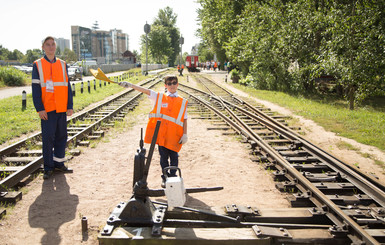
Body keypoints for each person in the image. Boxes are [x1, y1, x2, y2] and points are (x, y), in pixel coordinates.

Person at [119, 75, 188, 188]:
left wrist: (185, 134)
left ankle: (173, 177)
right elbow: (146, 91)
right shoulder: (159, 97)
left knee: (174, 157)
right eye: (169, 83)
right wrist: (131, 85)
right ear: (165, 85)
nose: (172, 85)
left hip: (174, 136)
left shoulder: (183, 102)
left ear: (177, 84)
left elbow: (184, 119)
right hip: (161, 135)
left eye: (174, 83)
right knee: (163, 158)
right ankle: (165, 178)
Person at [32, 36, 74, 180]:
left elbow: (67, 86)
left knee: (62, 137)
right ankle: (48, 168)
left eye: (53, 44)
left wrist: (70, 106)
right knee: (48, 139)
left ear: (55, 47)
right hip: (47, 109)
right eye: (47, 45)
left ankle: (59, 164)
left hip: (61, 107)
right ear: (43, 47)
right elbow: (36, 89)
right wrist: (40, 108)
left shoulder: (63, 64)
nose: (51, 47)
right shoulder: (37, 65)